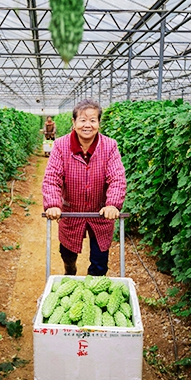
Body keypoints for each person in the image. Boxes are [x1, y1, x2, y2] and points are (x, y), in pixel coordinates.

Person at [42, 100, 126, 276]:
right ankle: (70, 269)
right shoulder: (60, 145)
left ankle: (94, 285)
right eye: (82, 120)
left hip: (100, 212)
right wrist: (53, 204)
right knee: (67, 253)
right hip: (71, 212)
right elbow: (52, 178)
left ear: (99, 123)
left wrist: (112, 204)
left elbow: (117, 178)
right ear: (74, 123)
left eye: (93, 120)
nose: (87, 125)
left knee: (100, 261)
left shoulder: (110, 146)